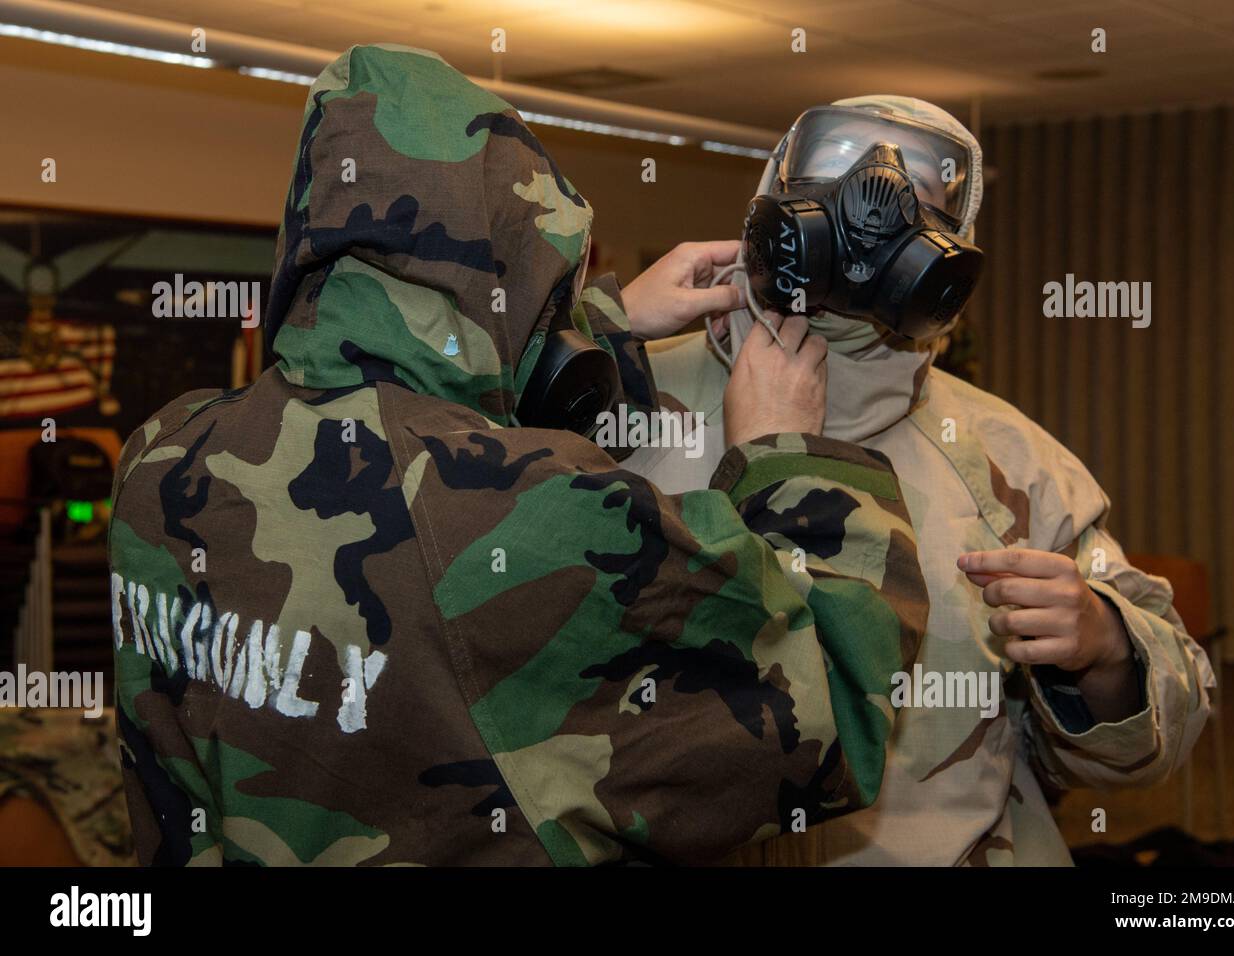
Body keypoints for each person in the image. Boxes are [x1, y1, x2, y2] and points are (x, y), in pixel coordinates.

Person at [107, 46, 929, 866]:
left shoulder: (161, 452)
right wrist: (790, 451)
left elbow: (424, 419)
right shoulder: (533, 512)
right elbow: (832, 712)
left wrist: (598, 325)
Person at [623, 95, 1214, 866]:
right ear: (777, 185)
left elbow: (1160, 729)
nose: (875, 195)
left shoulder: (1009, 460)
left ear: (949, 246)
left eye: (921, 192)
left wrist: (1106, 648)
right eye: (839, 163)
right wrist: (585, 328)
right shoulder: (622, 408)